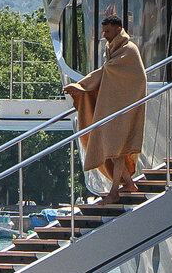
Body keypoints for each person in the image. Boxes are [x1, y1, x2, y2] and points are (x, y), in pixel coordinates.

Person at [63, 15, 146, 205]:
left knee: (117, 150)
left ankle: (114, 191)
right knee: (116, 149)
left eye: (107, 31)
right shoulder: (114, 49)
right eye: (103, 31)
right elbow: (107, 72)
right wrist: (81, 87)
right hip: (116, 106)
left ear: (118, 30)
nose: (104, 35)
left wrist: (82, 85)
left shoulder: (128, 50)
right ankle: (129, 184)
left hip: (126, 106)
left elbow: (110, 72)